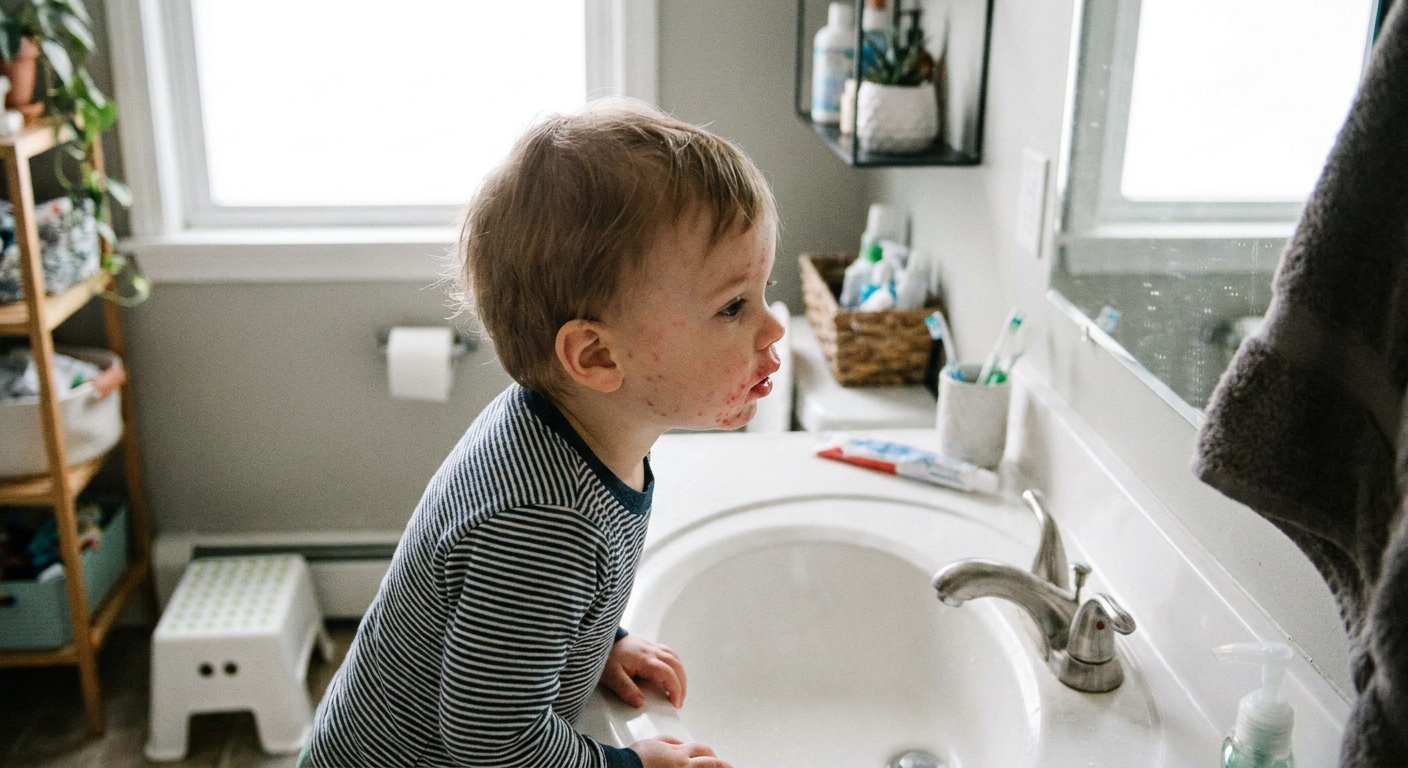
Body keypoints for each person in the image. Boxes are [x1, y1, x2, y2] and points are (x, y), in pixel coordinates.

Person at [304, 99, 783, 768]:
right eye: (732, 306)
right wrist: (630, 766)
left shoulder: (568, 428)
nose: (772, 328)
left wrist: (601, 639)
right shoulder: (543, 519)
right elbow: (492, 741)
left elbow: (529, 612)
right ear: (596, 358)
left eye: (762, 291)